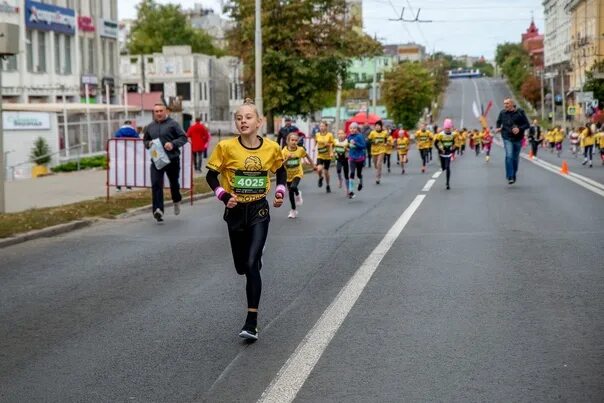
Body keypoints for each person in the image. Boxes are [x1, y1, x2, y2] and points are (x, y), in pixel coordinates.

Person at [205, 98, 287, 340]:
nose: (243, 121)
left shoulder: (272, 148)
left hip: (259, 209)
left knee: (252, 265)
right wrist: (223, 195)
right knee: (242, 267)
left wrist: (280, 191)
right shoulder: (226, 147)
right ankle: (253, 258)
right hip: (235, 212)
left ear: (259, 121)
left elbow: (281, 171)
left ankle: (251, 322)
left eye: (248, 117)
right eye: (239, 118)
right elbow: (211, 176)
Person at [143, 104, 188, 221]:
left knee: (174, 183)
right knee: (156, 184)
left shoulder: (173, 124)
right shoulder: (150, 126)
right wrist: (148, 144)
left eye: (160, 111)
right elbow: (145, 140)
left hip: (172, 159)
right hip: (157, 160)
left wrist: (173, 144)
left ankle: (176, 200)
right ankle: (158, 210)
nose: (158, 113)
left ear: (165, 111)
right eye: (156, 111)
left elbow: (183, 137)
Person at [495, 98, 530, 184]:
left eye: (507, 103)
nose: (505, 105)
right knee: (509, 155)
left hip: (518, 138)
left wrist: (519, 129)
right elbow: (498, 122)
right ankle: (510, 176)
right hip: (507, 137)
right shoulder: (502, 113)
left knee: (515, 158)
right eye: (504, 103)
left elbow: (527, 124)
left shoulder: (520, 112)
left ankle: (513, 174)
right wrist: (498, 127)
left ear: (512, 104)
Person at [283, 132, 316, 219]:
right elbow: (281, 164)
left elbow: (307, 156)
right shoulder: (284, 151)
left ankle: (298, 194)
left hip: (298, 173)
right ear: (288, 141)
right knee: (290, 194)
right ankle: (293, 210)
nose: (294, 142)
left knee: (293, 187)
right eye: (292, 140)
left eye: (296, 140)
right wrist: (287, 159)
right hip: (288, 175)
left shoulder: (300, 150)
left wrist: (313, 166)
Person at [114, 120, 139, 191]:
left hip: (120, 152)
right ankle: (129, 187)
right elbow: (138, 139)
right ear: (130, 124)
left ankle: (118, 187)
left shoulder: (119, 131)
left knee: (120, 170)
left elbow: (116, 138)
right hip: (130, 152)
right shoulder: (133, 131)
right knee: (129, 169)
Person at [434, 118, 456, 190]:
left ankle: (447, 183)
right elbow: (435, 143)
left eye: (449, 128)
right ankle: (443, 167)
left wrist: (453, 150)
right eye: (446, 128)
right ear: (444, 128)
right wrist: (440, 149)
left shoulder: (453, 134)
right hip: (442, 153)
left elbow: (454, 143)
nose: (448, 130)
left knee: (448, 167)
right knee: (443, 167)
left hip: (448, 153)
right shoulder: (440, 135)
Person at [314, 121, 335, 193]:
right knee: (319, 169)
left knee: (326, 172)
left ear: (326, 127)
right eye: (320, 126)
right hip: (320, 155)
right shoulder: (317, 134)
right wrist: (314, 147)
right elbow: (316, 141)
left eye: (323, 126)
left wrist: (330, 149)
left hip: (327, 156)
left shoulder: (330, 135)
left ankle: (328, 185)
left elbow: (332, 144)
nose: (321, 127)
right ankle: (320, 177)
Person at [347, 122, 366, 199]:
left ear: (357, 129)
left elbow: (363, 146)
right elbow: (348, 145)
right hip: (352, 157)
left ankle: (360, 182)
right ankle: (351, 191)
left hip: (360, 158)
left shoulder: (360, 136)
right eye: (351, 128)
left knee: (358, 174)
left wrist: (356, 143)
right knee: (351, 173)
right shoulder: (349, 136)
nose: (352, 130)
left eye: (354, 128)